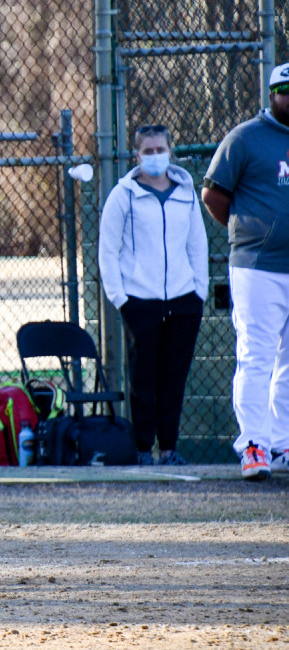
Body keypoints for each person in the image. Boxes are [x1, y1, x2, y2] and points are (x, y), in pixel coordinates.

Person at [99, 124, 207, 466]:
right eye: (148, 151)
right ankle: (143, 449)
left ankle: (169, 449)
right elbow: (108, 251)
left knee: (174, 379)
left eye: (161, 150)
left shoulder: (186, 192)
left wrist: (198, 291)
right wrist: (121, 298)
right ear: (137, 155)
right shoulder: (123, 195)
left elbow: (197, 244)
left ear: (170, 152)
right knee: (144, 379)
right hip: (139, 303)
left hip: (183, 301)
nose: (155, 156)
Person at [202, 62, 289, 481]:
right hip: (258, 266)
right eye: (286, 91)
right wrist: (251, 233)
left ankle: (282, 441)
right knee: (256, 355)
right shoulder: (246, 138)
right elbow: (214, 195)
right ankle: (253, 445)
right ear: (272, 95)